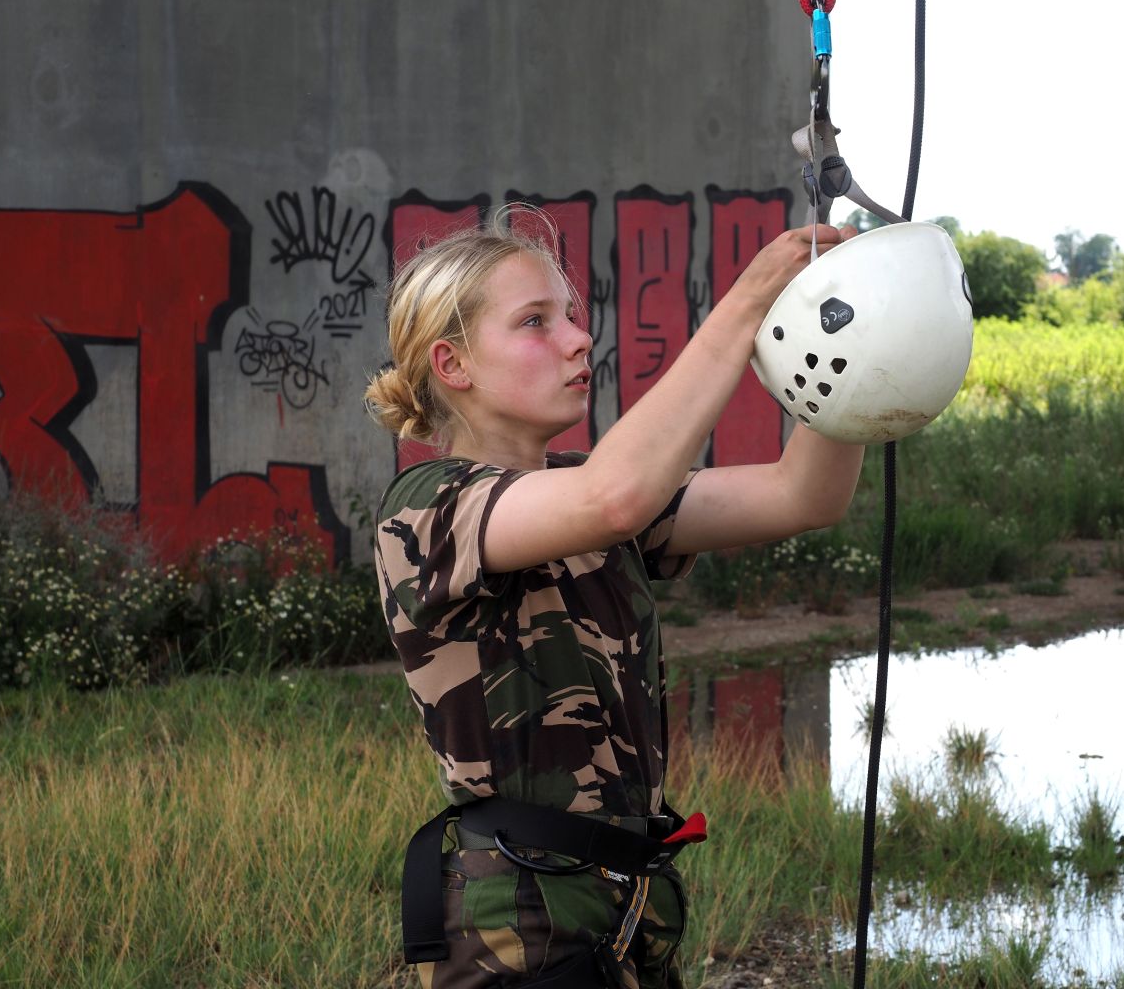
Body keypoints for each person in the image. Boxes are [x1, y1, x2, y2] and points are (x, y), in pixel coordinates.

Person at [366, 205, 863, 989]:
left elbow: (802, 495)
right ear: (453, 365)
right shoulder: (428, 508)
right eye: (536, 322)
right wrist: (744, 305)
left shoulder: (584, 490)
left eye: (571, 315)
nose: (577, 338)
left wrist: (853, 342)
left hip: (623, 917)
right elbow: (615, 497)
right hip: (520, 933)